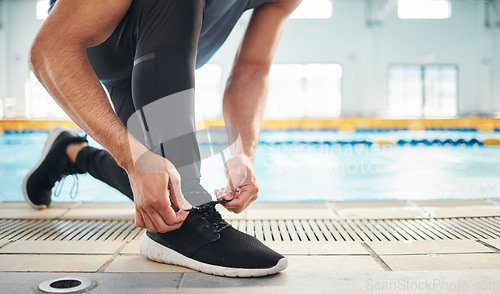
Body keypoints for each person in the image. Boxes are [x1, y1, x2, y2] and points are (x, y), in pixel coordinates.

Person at [24, 0, 301, 277]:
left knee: (159, 189)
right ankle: (186, 221)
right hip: (102, 43)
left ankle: (73, 154)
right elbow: (51, 50)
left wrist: (244, 154)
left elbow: (252, 69)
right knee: (152, 172)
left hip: (157, 54)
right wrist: (134, 158)